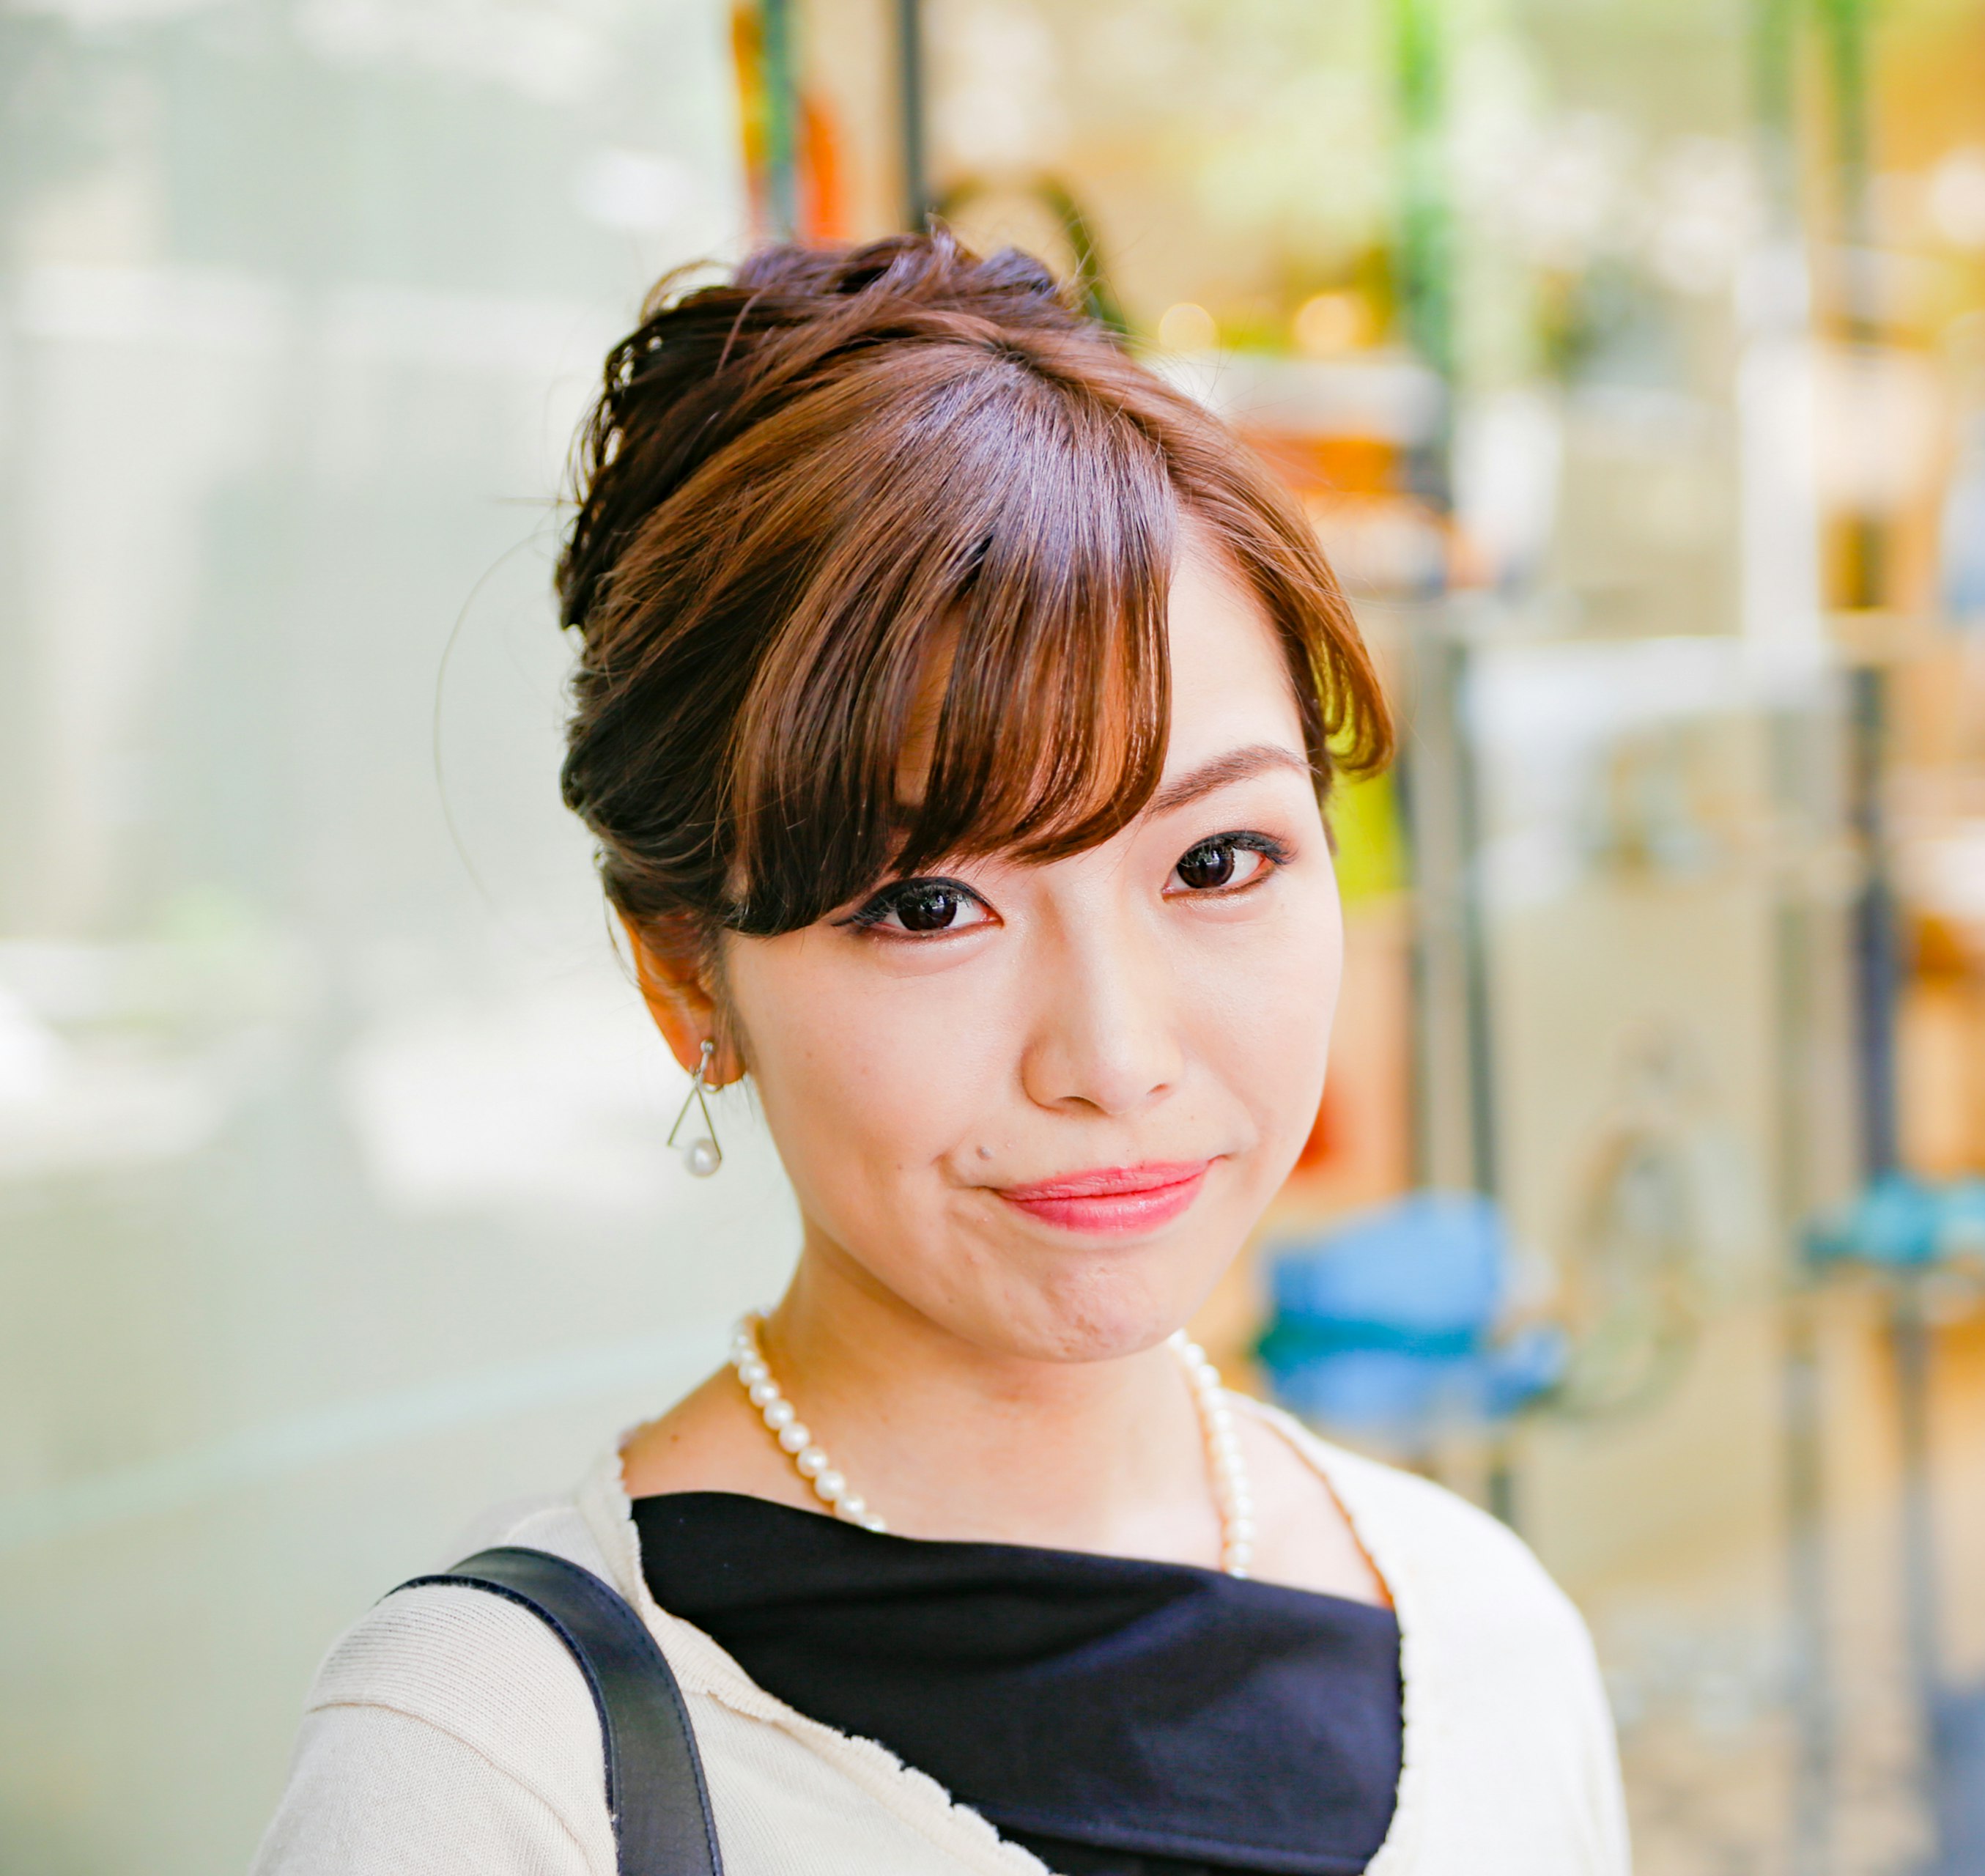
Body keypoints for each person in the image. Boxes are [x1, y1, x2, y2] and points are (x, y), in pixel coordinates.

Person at [251, 233, 1628, 1876]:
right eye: (927, 902)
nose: (1112, 1056)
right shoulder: (499, 1759)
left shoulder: (1486, 1637)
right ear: (687, 973)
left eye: (1215, 861)